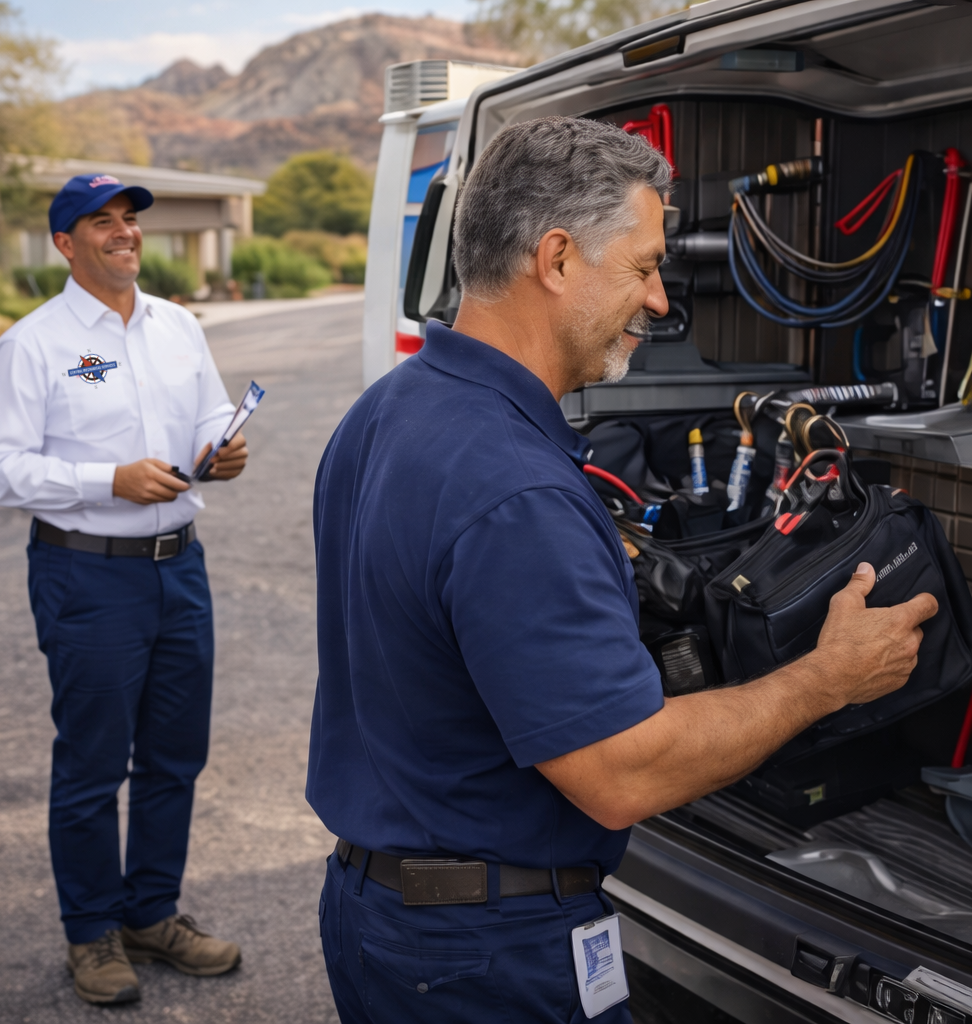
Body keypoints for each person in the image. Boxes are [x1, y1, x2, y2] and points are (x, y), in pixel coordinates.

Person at [306, 117, 938, 1024]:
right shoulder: (514, 489)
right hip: (486, 958)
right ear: (556, 258)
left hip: (389, 916)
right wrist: (827, 679)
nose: (657, 301)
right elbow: (621, 775)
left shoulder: (386, 412)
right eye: (643, 267)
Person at [0, 174, 246, 1005]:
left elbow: (211, 414)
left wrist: (221, 448)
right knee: (93, 764)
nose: (125, 233)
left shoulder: (178, 325)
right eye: (103, 222)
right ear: (65, 242)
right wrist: (106, 480)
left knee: (174, 757)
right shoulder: (35, 344)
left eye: (130, 221)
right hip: (86, 573)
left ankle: (151, 914)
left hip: (179, 567)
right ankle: (91, 933)